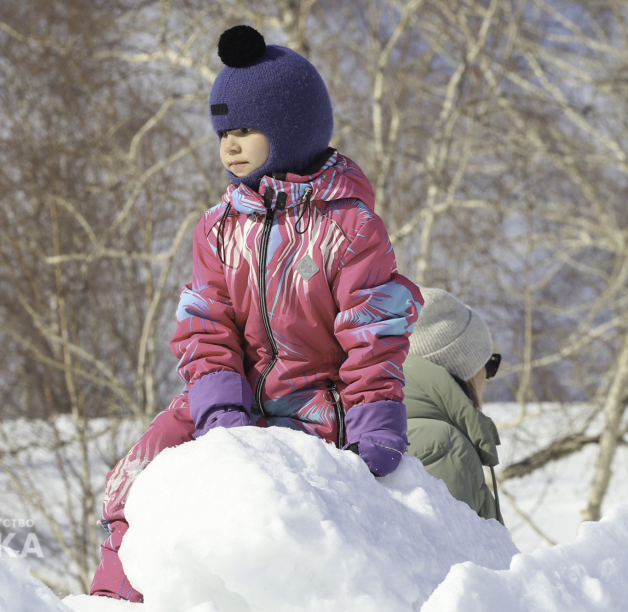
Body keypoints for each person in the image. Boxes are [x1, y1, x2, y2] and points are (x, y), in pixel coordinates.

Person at [89, 25, 423, 601]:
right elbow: (205, 326)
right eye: (223, 133)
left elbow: (372, 330)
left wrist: (375, 419)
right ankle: (116, 597)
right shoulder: (218, 229)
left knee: (286, 522)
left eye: (245, 130)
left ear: (290, 126)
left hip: (318, 407)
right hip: (234, 402)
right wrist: (220, 411)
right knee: (135, 478)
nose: (230, 145)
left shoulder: (349, 227)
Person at [404, 287, 503, 522]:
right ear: (463, 370)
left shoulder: (377, 425)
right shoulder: (444, 449)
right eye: (488, 364)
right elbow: (463, 557)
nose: (488, 378)